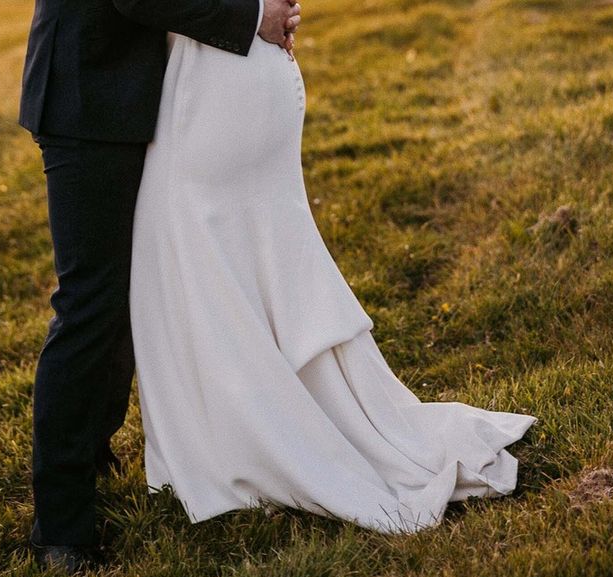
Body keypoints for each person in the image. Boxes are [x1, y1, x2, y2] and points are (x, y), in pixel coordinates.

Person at [129, 7, 537, 535]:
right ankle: (296, 420)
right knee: (247, 265)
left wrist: (254, 12)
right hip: (245, 73)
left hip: (217, 85)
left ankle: (247, 442)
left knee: (203, 266)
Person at [19, 0, 302, 574]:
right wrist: (251, 17)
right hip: (87, 99)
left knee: (125, 292)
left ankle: (92, 446)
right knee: (89, 304)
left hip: (122, 92)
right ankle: (61, 530)